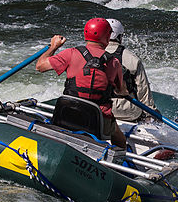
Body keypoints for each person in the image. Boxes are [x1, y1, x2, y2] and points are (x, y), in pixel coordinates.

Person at [35, 17, 129, 149]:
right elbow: (121, 91)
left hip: (67, 113)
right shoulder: (114, 63)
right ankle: (119, 163)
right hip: (98, 120)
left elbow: (40, 66)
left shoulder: (71, 53)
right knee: (120, 140)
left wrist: (53, 47)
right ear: (108, 37)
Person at [104, 18, 158, 122]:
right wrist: (151, 112)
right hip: (124, 110)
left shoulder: (89, 55)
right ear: (120, 37)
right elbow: (143, 90)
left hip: (95, 106)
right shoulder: (132, 59)